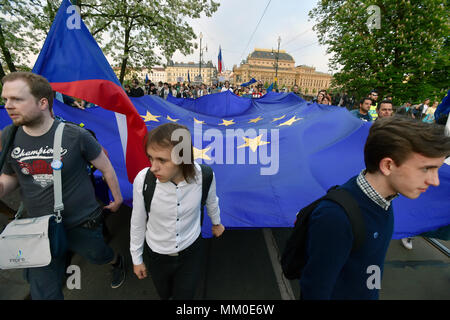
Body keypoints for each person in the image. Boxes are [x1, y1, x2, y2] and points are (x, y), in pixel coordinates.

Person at [0, 72, 125, 299]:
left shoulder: (75, 135)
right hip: (36, 228)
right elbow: (11, 176)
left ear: (43, 103)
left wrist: (116, 199)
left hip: (80, 223)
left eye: (16, 99)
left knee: (98, 255)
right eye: (5, 99)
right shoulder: (8, 136)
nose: (8, 105)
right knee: (45, 292)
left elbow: (106, 168)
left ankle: (116, 261)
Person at [300, 116, 450, 300]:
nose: (435, 181)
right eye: (426, 169)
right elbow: (315, 291)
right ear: (388, 165)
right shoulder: (336, 217)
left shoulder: (384, 199)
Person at [130, 123, 225, 300]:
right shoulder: (144, 180)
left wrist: (216, 222)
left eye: (162, 160)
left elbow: (212, 200)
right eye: (150, 158)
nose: (153, 167)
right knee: (164, 295)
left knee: (185, 296)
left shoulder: (204, 176)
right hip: (157, 255)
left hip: (191, 252)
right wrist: (137, 258)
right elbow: (137, 221)